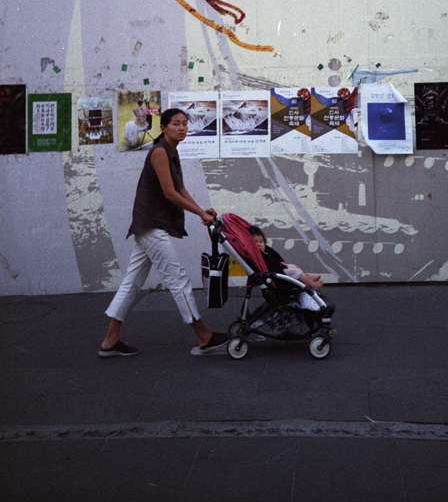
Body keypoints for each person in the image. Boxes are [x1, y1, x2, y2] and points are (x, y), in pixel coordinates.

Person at [99, 108, 229, 357]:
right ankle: (203, 336)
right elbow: (170, 193)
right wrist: (200, 214)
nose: (182, 128)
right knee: (178, 279)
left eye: (184, 124)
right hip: (151, 226)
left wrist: (201, 211)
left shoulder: (171, 151)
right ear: (163, 128)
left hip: (149, 225)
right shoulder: (160, 152)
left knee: (132, 283)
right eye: (176, 124)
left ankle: (110, 340)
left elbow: (180, 188)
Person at [248, 226, 323, 310]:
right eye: (255, 242)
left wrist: (280, 263)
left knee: (293, 266)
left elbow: (273, 260)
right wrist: (279, 265)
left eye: (261, 241)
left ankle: (307, 278)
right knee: (295, 272)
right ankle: (310, 284)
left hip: (278, 270)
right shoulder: (258, 255)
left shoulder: (265, 253)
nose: (259, 244)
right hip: (275, 275)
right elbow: (270, 264)